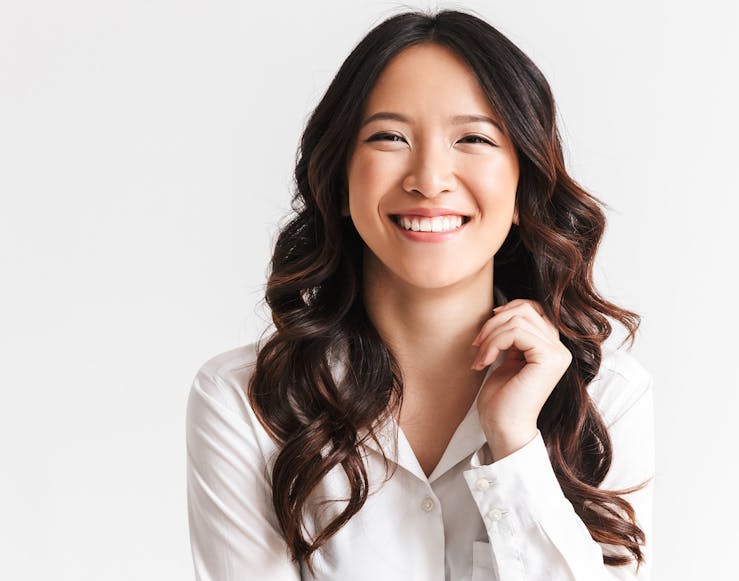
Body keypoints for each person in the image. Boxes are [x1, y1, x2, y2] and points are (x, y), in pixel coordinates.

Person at [186, 9, 655, 581]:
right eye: (389, 137)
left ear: (523, 183)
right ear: (337, 180)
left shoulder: (605, 396)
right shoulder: (246, 401)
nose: (430, 178)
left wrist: (515, 447)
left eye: (473, 138)